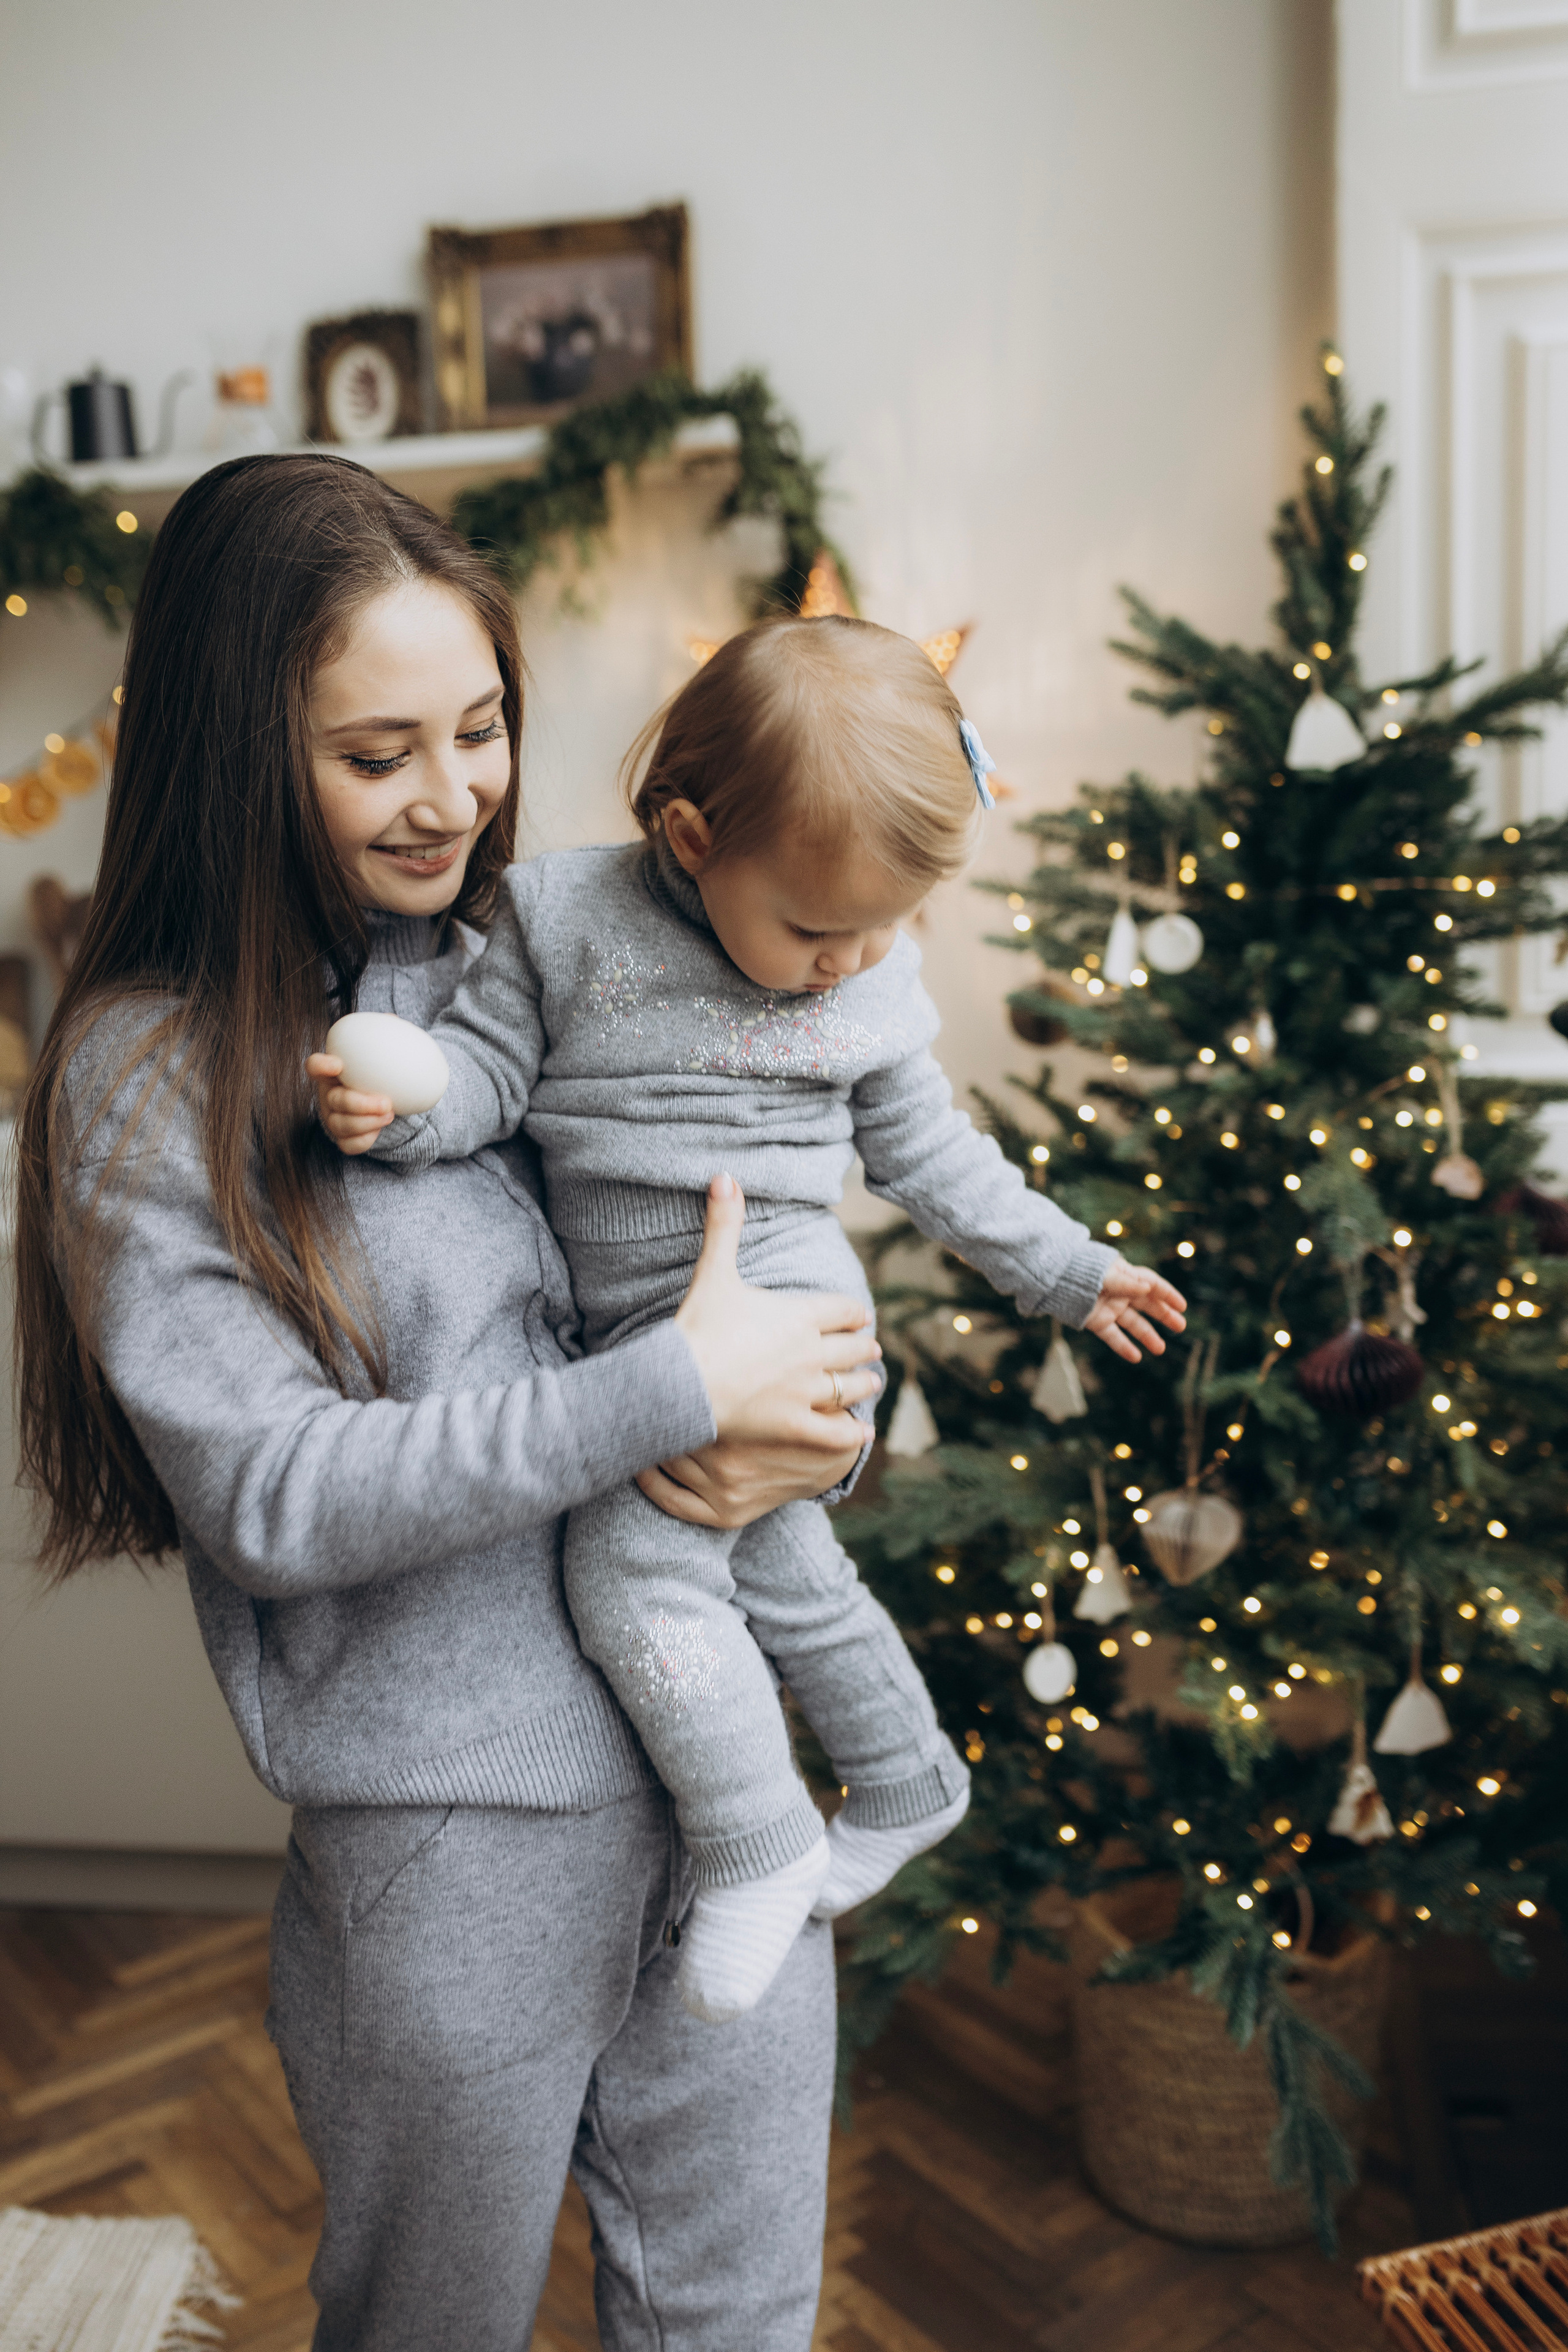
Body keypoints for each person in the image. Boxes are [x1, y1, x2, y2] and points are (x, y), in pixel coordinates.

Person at [12, 453, 889, 2352]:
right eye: (376, 752)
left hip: (728, 1791)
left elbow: (758, 1263)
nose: (453, 796)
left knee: (742, 2321)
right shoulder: (146, 1076)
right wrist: (675, 1387)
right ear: (242, 754)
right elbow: (277, 1496)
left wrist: (819, 1417)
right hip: (457, 1848)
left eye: (481, 728)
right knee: (434, 2328)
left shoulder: (556, 960)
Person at [311, 613, 1188, 2027]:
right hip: (649, 1338)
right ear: (690, 837)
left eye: (884, 927)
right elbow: (485, 1079)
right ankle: (906, 1778)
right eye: (816, 929)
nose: (853, 960)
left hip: (787, 1312)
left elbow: (934, 1162)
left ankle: (755, 1838)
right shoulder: (557, 917)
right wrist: (403, 1112)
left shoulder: (865, 984)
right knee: (780, 1568)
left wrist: (1070, 1273)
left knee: (629, 1573)